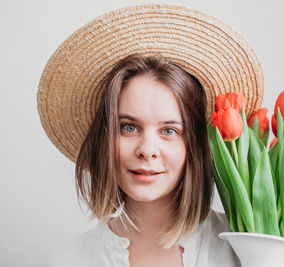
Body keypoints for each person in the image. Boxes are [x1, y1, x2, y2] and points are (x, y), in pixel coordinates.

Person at [38, 4, 264, 267]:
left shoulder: (249, 251)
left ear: (195, 145)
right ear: (106, 138)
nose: (147, 149)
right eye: (129, 127)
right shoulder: (69, 260)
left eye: (169, 131)